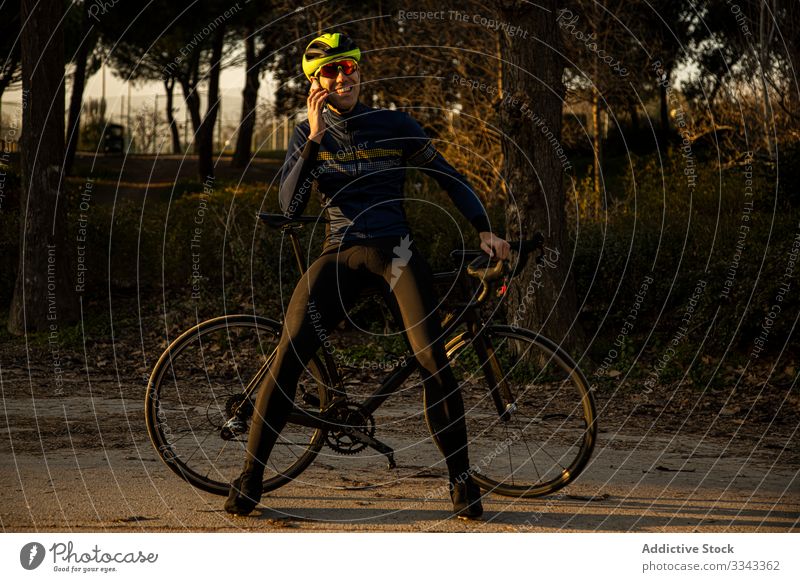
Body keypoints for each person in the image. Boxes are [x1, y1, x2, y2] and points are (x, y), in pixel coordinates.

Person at [225, 32, 510, 520]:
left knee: (433, 361)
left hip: (396, 252)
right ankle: (251, 480)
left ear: (360, 72)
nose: (343, 77)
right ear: (313, 83)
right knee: (288, 358)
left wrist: (484, 229)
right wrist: (314, 137)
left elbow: (448, 175)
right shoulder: (304, 133)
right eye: (330, 71)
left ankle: (462, 484)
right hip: (339, 253)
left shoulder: (394, 124)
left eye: (349, 67)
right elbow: (289, 205)